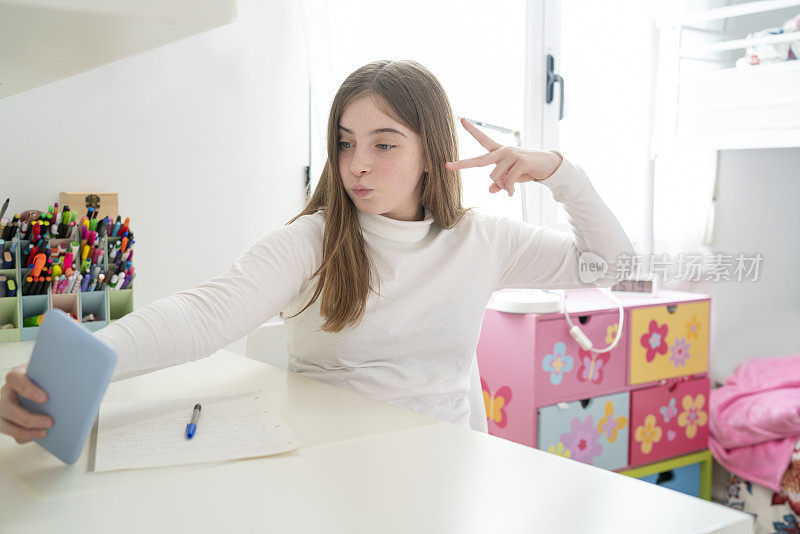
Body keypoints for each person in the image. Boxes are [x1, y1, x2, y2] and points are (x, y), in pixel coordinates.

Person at [0, 59, 634, 443]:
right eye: (345, 140)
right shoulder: (316, 240)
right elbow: (203, 315)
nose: (357, 164)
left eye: (384, 144)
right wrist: (68, 368)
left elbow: (617, 269)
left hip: (445, 465)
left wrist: (558, 170)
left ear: (433, 153)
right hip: (330, 461)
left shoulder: (483, 241)